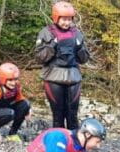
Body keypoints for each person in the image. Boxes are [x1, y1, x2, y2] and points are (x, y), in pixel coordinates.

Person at [35, 1, 90, 130]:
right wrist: (53, 45)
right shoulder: (46, 32)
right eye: (64, 19)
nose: (67, 23)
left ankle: (74, 144)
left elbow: (84, 59)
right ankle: (58, 142)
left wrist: (79, 47)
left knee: (72, 114)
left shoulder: (77, 33)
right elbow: (39, 57)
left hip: (73, 77)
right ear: (56, 18)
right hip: (53, 77)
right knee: (58, 114)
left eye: (69, 19)